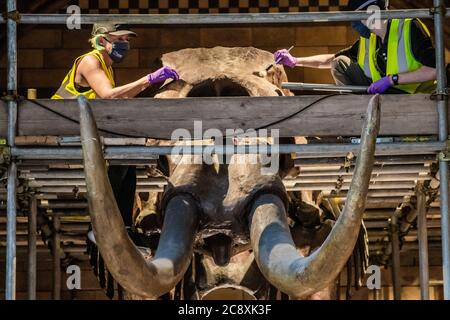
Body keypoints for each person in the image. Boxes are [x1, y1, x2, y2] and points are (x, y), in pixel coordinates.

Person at [52, 23, 179, 234]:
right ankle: (100, 224)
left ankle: (123, 227)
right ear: (102, 40)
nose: (125, 44)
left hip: (86, 126)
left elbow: (118, 99)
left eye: (127, 40)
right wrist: (148, 79)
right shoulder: (90, 60)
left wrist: (151, 85)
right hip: (64, 125)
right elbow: (109, 95)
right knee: (122, 154)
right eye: (119, 40)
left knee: (127, 161)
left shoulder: (106, 66)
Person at [274, 0, 437, 94]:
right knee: (340, 63)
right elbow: (332, 59)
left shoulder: (409, 27)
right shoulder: (369, 39)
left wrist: (391, 80)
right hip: (385, 96)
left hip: (416, 97)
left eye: (358, 15)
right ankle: (358, 117)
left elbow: (434, 70)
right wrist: (295, 61)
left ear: (373, 10)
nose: (354, 22)